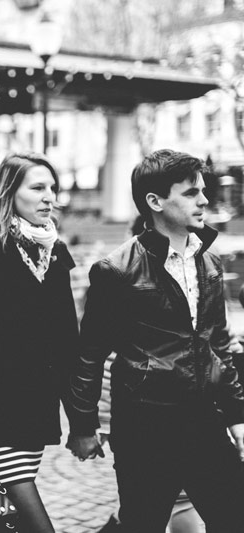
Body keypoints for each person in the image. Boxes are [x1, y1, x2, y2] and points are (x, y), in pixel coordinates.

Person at [66, 149, 244, 531]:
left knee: (233, 518)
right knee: (143, 524)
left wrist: (237, 417)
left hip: (204, 419)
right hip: (146, 426)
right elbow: (90, 353)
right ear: (155, 201)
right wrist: (82, 425)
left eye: (203, 190)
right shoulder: (116, 270)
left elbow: (219, 347)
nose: (204, 200)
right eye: (191, 193)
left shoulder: (210, 263)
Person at [0, 152, 79, 533]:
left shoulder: (55, 253)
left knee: (11, 521)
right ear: (8, 193)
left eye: (52, 188)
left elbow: (66, 343)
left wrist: (81, 420)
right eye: (37, 188)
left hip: (35, 411)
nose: (49, 197)